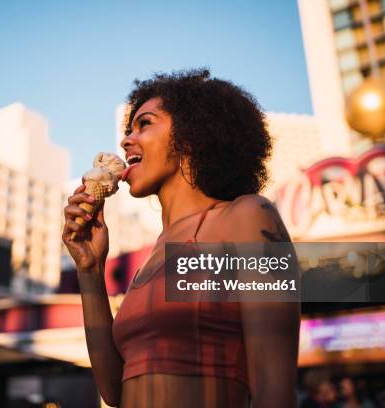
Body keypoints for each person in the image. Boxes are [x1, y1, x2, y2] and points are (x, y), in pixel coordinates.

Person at [62, 69, 300, 407]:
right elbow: (114, 391)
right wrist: (90, 270)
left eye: (144, 124)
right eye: (128, 130)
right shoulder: (151, 260)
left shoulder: (248, 216)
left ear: (191, 135)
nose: (126, 141)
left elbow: (274, 390)